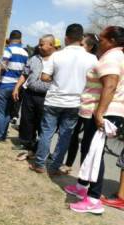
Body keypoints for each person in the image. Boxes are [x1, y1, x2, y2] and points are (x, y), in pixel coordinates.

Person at [65, 26, 124, 214]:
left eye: (102, 38)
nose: (99, 41)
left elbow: (111, 85)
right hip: (101, 110)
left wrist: (99, 113)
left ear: (113, 41)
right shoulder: (115, 55)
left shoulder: (112, 57)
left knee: (95, 154)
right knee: (88, 149)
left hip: (103, 111)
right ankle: (82, 187)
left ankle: (93, 199)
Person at [29, 24, 98, 174]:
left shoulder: (57, 55)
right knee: (65, 135)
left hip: (54, 100)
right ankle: (54, 167)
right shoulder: (92, 59)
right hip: (75, 103)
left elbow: (44, 77)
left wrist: (57, 77)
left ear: (66, 38)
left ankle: (39, 164)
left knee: (46, 132)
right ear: (81, 39)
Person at [60, 33, 100, 174]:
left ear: (90, 46)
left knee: (86, 141)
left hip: (90, 105)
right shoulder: (75, 58)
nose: (80, 47)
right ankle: (68, 163)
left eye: (82, 45)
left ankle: (84, 172)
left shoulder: (95, 61)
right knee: (72, 134)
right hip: (76, 102)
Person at [12, 34, 56, 160]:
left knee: (44, 124)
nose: (39, 46)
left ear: (51, 45)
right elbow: (24, 75)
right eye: (39, 44)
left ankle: (43, 150)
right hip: (30, 94)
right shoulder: (33, 59)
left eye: (42, 44)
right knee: (27, 121)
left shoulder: (57, 60)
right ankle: (28, 147)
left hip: (47, 97)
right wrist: (17, 88)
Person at [0, 30, 28, 141]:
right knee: (8, 112)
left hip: (4, 84)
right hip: (17, 86)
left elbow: (3, 66)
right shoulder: (25, 53)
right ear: (20, 39)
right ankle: (2, 136)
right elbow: (26, 71)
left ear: (10, 39)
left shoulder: (8, 50)